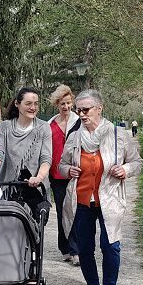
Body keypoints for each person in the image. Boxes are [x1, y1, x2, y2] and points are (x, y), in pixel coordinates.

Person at [58, 89, 143, 285]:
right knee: (85, 249)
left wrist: (125, 169)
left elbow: (137, 162)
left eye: (86, 110)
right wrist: (68, 170)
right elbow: (61, 165)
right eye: (79, 110)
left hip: (110, 200)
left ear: (99, 108)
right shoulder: (74, 137)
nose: (81, 114)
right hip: (82, 201)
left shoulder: (117, 135)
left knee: (111, 247)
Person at [0, 87, 52, 216]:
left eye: (36, 104)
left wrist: (39, 178)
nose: (33, 107)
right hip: (8, 188)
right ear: (17, 104)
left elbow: (46, 158)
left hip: (34, 190)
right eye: (28, 104)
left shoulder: (44, 127)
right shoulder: (5, 127)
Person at [47, 84, 80, 266]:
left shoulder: (78, 122)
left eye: (68, 103)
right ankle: (65, 248)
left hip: (75, 173)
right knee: (61, 211)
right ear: (57, 104)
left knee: (74, 211)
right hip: (56, 175)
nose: (66, 106)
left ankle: (76, 250)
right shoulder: (50, 124)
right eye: (62, 104)